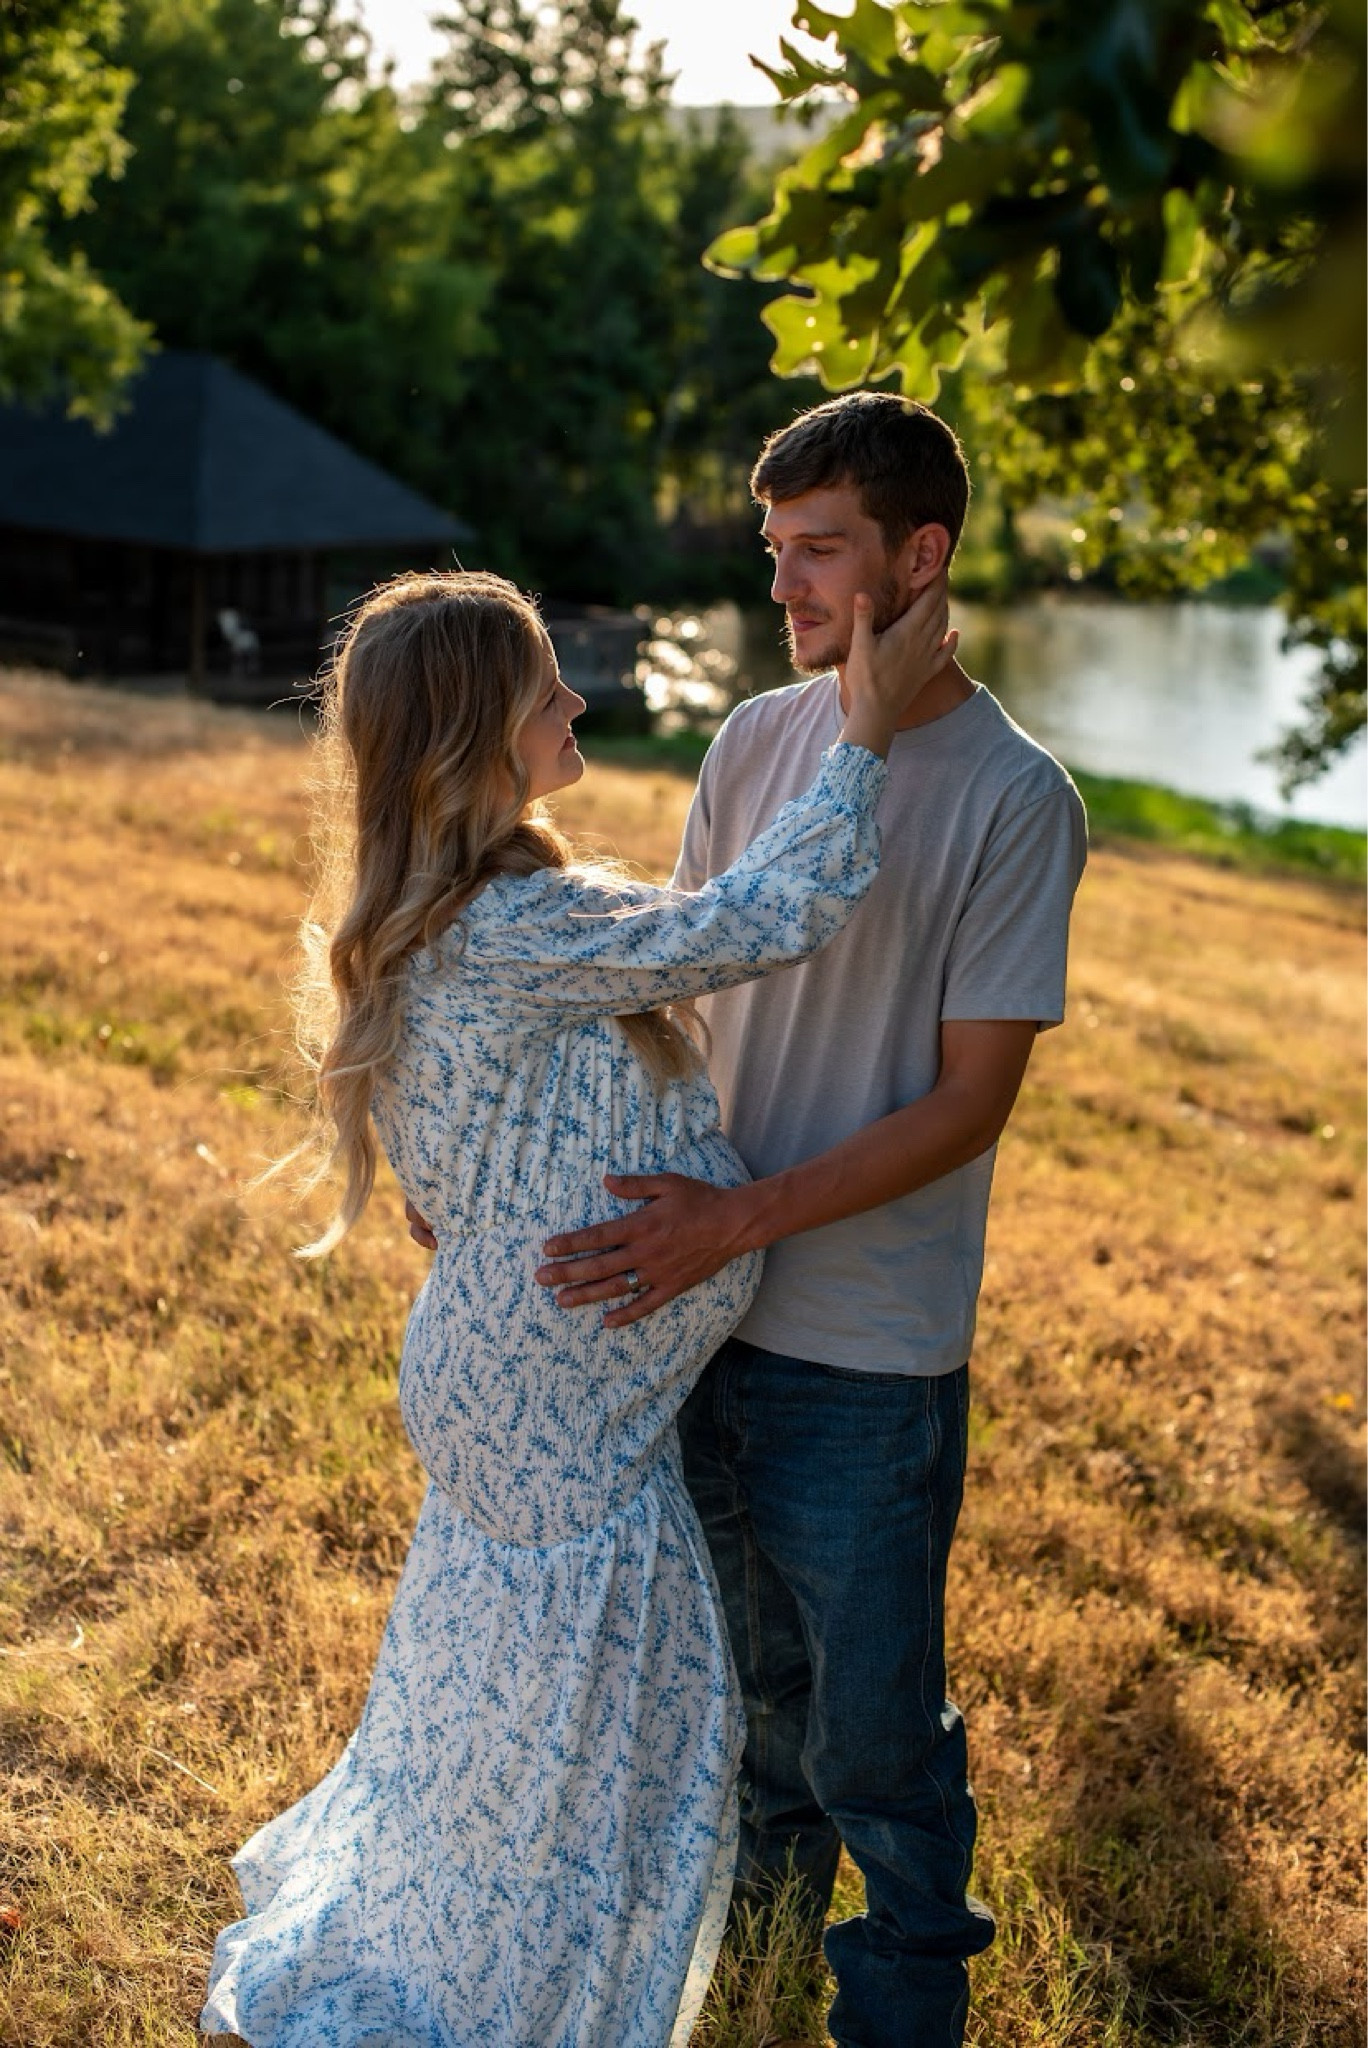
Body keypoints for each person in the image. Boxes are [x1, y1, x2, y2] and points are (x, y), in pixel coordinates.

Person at [199, 564, 956, 2047]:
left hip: (523, 1381)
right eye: (549, 687)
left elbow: (462, 1128)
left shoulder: (461, 911)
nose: (579, 701)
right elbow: (765, 916)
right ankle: (492, 1989)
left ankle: (463, 1941)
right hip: (547, 1405)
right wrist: (862, 736)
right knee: (567, 1723)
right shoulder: (512, 923)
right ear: (477, 733)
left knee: (507, 1703)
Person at [523, 394, 1089, 2047]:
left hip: (865, 1350)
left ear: (923, 558)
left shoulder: (1015, 796)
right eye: (775, 553)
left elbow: (969, 1106)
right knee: (742, 1701)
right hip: (702, 1320)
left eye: (821, 551)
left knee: (871, 1734)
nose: (788, 588)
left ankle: (906, 2006)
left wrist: (742, 1219)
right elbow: (681, 1004)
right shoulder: (758, 740)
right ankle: (747, 1965)